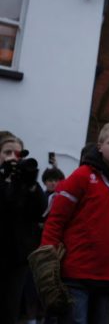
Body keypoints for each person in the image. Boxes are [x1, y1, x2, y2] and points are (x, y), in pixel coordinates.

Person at [29, 122, 109, 323]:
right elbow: (56, 220)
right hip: (75, 273)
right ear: (100, 146)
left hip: (108, 275)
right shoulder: (81, 176)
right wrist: (47, 262)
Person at [0, 131, 46, 324]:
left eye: (18, 154)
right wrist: (7, 179)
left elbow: (39, 210)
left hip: (16, 257)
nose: (13, 158)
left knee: (9, 310)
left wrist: (32, 185)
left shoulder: (25, 182)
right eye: (8, 152)